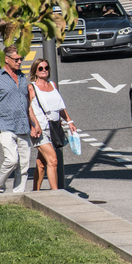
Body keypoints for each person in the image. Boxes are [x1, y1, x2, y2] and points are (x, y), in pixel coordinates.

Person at [0, 45, 41, 194]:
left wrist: (33, 124)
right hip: (4, 125)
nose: (20, 61)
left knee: (24, 165)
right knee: (12, 160)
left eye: (21, 59)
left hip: (22, 126)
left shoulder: (22, 77)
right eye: (16, 59)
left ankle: (19, 195)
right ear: (6, 59)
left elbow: (26, 104)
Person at [28, 58, 77, 190]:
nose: (44, 70)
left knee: (42, 163)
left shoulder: (52, 85)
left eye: (46, 68)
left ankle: (35, 192)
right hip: (40, 130)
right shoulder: (31, 88)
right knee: (53, 160)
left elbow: (59, 107)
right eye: (40, 68)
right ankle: (56, 194)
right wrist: (32, 126)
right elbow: (28, 109)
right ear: (35, 71)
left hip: (54, 127)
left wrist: (70, 121)